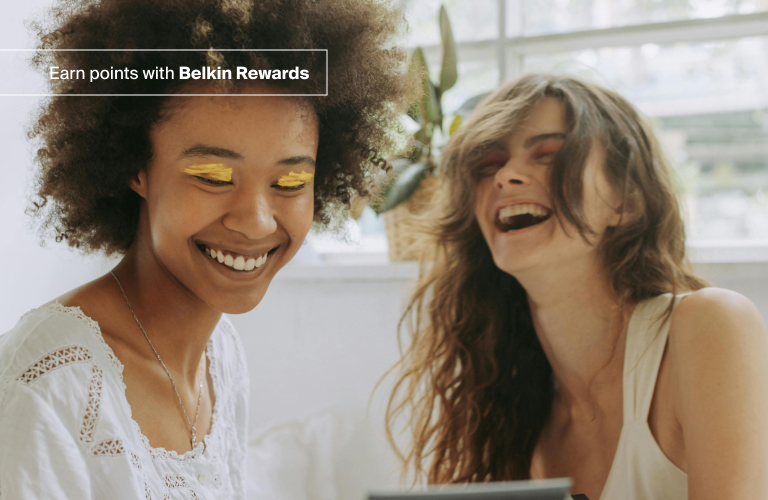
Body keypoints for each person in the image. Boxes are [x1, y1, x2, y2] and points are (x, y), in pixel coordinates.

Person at [0, 0, 408, 498]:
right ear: (135, 167)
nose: (256, 219)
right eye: (214, 177)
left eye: (291, 180)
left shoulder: (222, 355)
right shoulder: (47, 386)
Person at [385, 74, 768, 499]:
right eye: (488, 165)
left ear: (626, 200)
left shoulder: (708, 326)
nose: (506, 175)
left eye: (548, 155)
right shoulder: (509, 416)